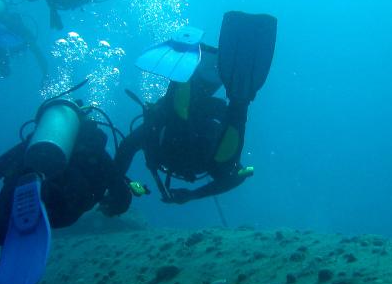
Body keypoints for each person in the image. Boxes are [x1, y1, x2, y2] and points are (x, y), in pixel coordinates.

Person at [0, 86, 133, 284]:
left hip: (18, 189)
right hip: (66, 202)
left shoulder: (30, 146)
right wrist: (113, 206)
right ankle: (44, 190)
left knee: (6, 221)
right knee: (59, 210)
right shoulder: (93, 148)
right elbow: (121, 192)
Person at [114, 11, 277, 204]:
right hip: (197, 147)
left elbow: (126, 148)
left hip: (182, 141)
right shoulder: (180, 129)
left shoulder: (156, 127)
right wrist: (193, 195)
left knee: (179, 117)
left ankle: (230, 99)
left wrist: (120, 186)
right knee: (219, 151)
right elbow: (235, 177)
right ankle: (231, 99)